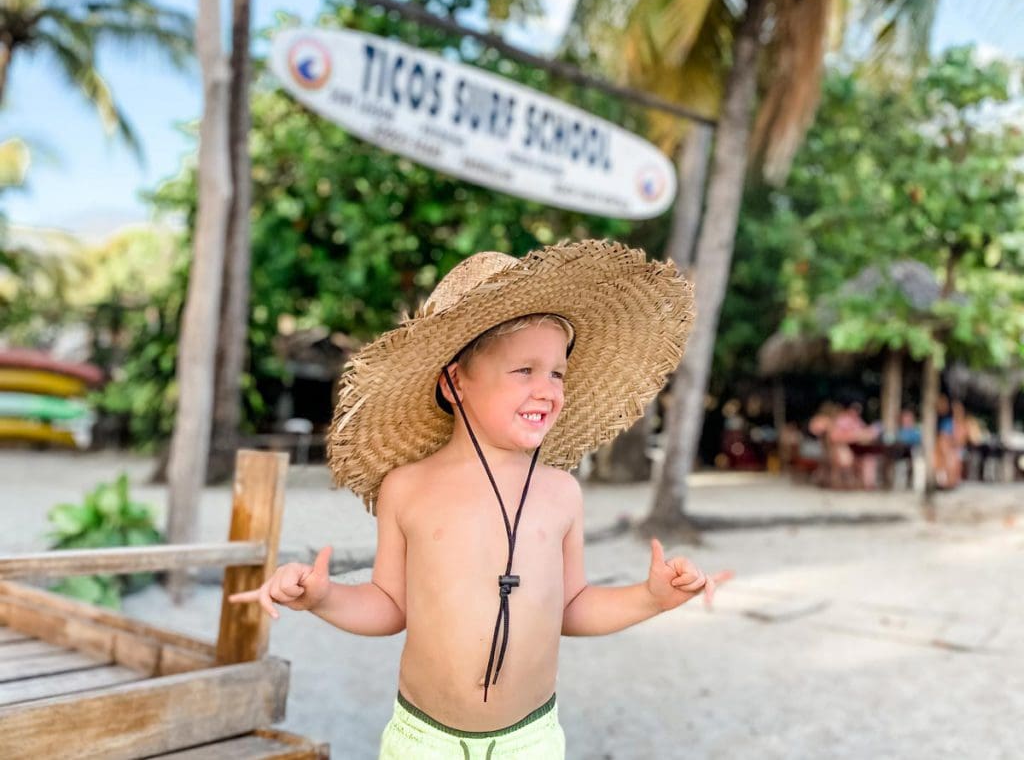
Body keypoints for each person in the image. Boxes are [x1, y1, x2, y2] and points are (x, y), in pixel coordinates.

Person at [229, 239, 732, 759]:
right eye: (524, 371)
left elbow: (571, 606)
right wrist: (322, 597)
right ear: (454, 382)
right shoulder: (409, 487)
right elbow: (389, 605)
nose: (548, 388)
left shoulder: (561, 493)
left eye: (557, 372)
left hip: (530, 740)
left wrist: (650, 598)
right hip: (423, 739)